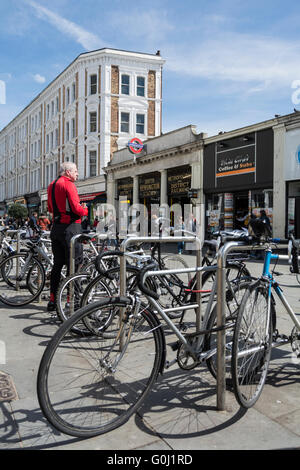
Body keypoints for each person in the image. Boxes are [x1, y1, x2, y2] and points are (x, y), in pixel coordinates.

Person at [47, 162, 88, 312]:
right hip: (70, 228)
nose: (77, 174)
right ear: (68, 172)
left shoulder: (51, 185)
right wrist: (84, 210)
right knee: (75, 265)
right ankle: (72, 301)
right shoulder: (69, 184)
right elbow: (76, 208)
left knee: (57, 265)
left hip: (56, 228)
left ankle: (52, 299)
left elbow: (50, 208)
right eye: (76, 171)